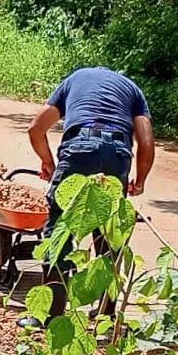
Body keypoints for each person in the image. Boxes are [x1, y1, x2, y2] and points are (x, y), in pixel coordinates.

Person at [19, 66, 155, 327]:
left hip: (81, 147)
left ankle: (52, 315)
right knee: (110, 232)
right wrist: (140, 181)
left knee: (60, 229)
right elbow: (146, 142)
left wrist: (48, 162)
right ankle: (106, 312)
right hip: (118, 153)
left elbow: (35, 128)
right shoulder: (132, 89)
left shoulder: (75, 79)